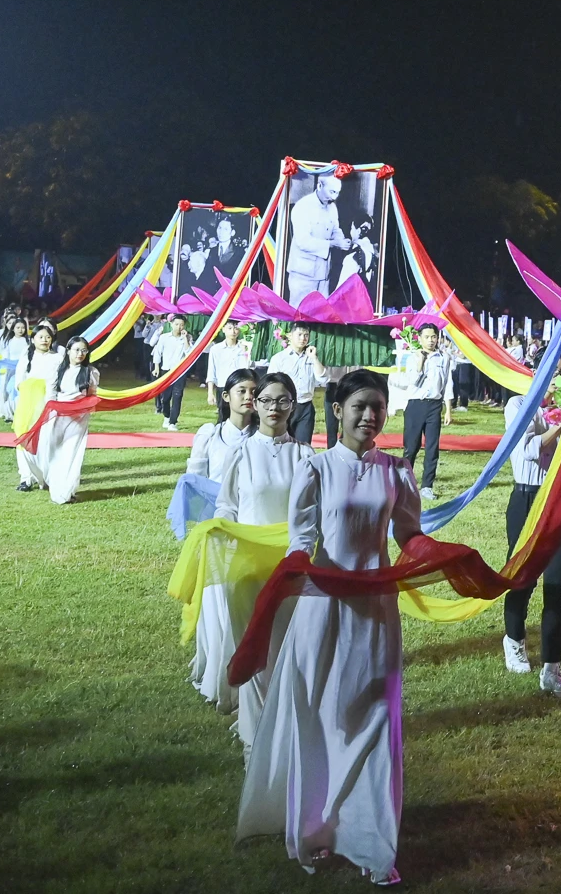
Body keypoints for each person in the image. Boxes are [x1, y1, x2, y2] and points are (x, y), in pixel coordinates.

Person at [238, 371, 422, 886]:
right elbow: (302, 540)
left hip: (376, 610)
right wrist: (294, 572)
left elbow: (410, 536)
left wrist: (446, 558)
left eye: (379, 407)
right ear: (336, 410)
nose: (371, 416)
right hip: (324, 607)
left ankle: (371, 842)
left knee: (376, 717)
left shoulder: (397, 472)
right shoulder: (316, 468)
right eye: (361, 405)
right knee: (320, 717)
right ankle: (314, 829)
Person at [200, 374, 314, 739]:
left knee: (283, 645)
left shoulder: (305, 456)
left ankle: (280, 723)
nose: (273, 408)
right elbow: (227, 506)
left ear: (292, 406)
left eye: (282, 401)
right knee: (251, 643)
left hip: (289, 566)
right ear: (256, 405)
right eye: (266, 400)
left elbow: (311, 514)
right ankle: (253, 729)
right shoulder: (241, 453)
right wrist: (227, 534)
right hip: (248, 566)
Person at [500, 382, 561, 698]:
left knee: (559, 584)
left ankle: (552, 668)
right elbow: (527, 451)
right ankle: (514, 639)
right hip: (528, 501)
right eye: (553, 373)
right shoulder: (518, 405)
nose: (558, 382)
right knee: (522, 578)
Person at [32, 335, 99, 504]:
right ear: (68, 351)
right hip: (58, 416)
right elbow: (51, 393)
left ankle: (66, 492)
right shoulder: (58, 369)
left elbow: (92, 395)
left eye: (84, 350)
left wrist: (83, 408)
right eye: (77, 350)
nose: (80, 354)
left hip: (78, 419)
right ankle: (56, 485)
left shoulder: (90, 372)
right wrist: (53, 410)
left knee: (72, 454)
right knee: (53, 453)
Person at [188, 367, 261, 495]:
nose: (249, 397)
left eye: (254, 392)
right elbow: (194, 482)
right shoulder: (209, 436)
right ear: (226, 396)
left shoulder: (264, 437)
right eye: (242, 391)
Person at [286, 173, 357, 302]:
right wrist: (333, 244)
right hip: (303, 274)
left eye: (337, 193)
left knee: (321, 315)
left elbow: (335, 229)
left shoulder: (332, 206)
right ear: (319, 186)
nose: (334, 197)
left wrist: (341, 240)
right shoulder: (303, 207)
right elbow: (303, 242)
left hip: (323, 273)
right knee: (299, 314)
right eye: (332, 192)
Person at [13, 323, 66, 493]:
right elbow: (19, 382)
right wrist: (32, 389)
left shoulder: (57, 358)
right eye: (41, 337)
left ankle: (45, 476)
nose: (44, 340)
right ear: (33, 339)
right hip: (27, 405)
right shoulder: (27, 357)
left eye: (48, 337)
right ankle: (26, 478)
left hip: (48, 404)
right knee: (24, 439)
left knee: (46, 440)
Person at [402, 325, 451, 502]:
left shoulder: (444, 358)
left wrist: (448, 409)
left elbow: (447, 384)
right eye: (428, 337)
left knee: (432, 448)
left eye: (434, 337)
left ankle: (427, 486)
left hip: (434, 406)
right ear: (420, 339)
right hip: (416, 405)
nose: (431, 340)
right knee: (411, 447)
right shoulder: (412, 357)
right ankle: (405, 484)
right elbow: (413, 382)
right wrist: (421, 362)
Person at [264, 326, 329, 445]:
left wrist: (314, 358)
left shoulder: (312, 357)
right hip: (284, 406)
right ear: (290, 336)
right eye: (299, 335)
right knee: (282, 444)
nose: (303, 338)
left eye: (306, 335)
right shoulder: (279, 358)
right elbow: (270, 384)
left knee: (303, 445)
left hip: (306, 406)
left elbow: (323, 379)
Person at [153, 316, 194, 431]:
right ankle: (166, 416)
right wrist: (156, 367)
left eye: (181, 325)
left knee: (177, 396)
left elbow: (189, 353)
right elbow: (158, 352)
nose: (179, 327)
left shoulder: (187, 338)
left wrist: (185, 338)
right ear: (171, 324)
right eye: (176, 324)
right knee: (165, 398)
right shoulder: (164, 338)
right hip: (166, 371)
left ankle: (173, 422)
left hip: (180, 372)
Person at [205, 323, 253, 409]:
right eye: (230, 328)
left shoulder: (244, 347)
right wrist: (210, 392)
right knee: (223, 416)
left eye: (236, 328)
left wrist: (247, 352)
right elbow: (211, 371)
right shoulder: (216, 349)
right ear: (223, 329)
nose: (233, 332)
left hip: (240, 386)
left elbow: (248, 367)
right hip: (222, 386)